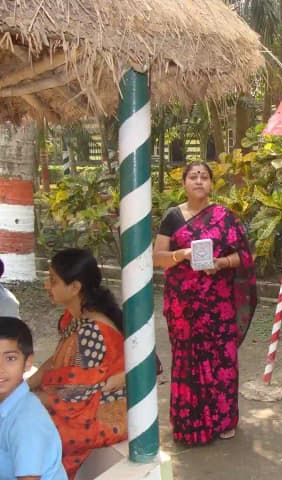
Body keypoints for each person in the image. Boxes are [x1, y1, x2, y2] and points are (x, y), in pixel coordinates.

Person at [152, 161, 257, 445]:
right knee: (187, 360)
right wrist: (182, 254)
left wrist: (220, 263)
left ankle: (223, 420)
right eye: (193, 176)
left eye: (204, 177)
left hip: (217, 304)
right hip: (183, 305)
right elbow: (158, 258)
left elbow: (243, 257)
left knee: (222, 359)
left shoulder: (225, 217)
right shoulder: (172, 217)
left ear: (211, 183)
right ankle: (190, 424)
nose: (199, 181)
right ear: (184, 183)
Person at [28, 249, 127, 479]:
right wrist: (24, 387)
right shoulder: (75, 318)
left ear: (75, 287)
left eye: (53, 280)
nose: (46, 285)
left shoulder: (92, 331)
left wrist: (29, 397)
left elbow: (74, 396)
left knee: (27, 431)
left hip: (98, 415)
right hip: (80, 403)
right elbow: (55, 363)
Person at [0, 316, 67, 480]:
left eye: (10, 358)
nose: (0, 368)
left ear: (28, 362)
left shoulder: (26, 421)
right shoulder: (7, 405)